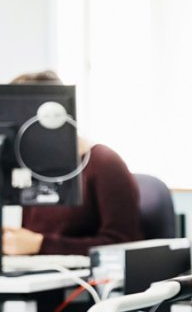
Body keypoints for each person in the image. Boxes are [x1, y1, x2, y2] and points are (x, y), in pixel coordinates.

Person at [3, 71, 142, 256]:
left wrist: (41, 245)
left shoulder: (104, 163)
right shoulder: (27, 168)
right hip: (31, 276)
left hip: (85, 280)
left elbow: (123, 243)